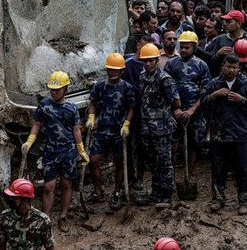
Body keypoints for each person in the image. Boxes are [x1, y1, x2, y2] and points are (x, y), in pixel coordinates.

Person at [20, 71, 88, 231]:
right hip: (50, 151)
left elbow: (76, 129)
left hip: (68, 152)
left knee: (66, 183)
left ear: (65, 89)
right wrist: (30, 141)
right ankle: (46, 218)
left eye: (58, 89)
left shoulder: (71, 108)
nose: (54, 92)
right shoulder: (44, 105)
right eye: (51, 89)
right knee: (49, 186)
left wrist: (81, 150)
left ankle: (63, 215)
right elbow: (37, 124)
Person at [201, 54, 247, 215]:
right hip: (219, 133)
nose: (231, 70)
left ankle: (245, 200)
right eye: (228, 66)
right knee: (218, 168)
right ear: (222, 66)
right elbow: (203, 101)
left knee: (243, 168)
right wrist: (214, 96)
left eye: (235, 67)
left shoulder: (244, 83)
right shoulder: (214, 83)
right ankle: (218, 199)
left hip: (240, 133)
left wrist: (242, 100)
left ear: (239, 68)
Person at [86, 53, 135, 209]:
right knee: (93, 160)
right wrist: (91, 117)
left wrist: (127, 123)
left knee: (120, 163)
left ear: (122, 71)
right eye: (110, 70)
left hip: (118, 132)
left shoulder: (127, 88)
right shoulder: (99, 86)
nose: (113, 73)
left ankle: (116, 192)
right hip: (102, 130)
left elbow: (132, 107)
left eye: (116, 70)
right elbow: (93, 102)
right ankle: (98, 191)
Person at [135, 43, 181, 208]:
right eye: (145, 61)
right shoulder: (142, 76)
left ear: (156, 60)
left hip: (161, 127)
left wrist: (170, 114)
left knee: (164, 161)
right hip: (147, 127)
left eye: (151, 61)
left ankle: (166, 195)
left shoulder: (164, 79)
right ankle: (155, 193)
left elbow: (176, 101)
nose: (148, 64)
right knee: (152, 162)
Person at [165, 31, 211, 176]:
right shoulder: (172, 64)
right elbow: (165, 88)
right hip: (175, 113)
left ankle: (189, 174)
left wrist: (192, 110)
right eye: (182, 47)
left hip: (195, 113)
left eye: (187, 47)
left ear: (195, 47)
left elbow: (206, 91)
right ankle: (170, 175)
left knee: (195, 143)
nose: (184, 50)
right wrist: (175, 110)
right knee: (173, 143)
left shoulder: (202, 65)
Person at [0, 178, 55, 250]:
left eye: (15, 198)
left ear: (25, 200)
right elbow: (1, 244)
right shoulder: (5, 217)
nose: (11, 200)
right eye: (11, 197)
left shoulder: (42, 220)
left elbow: (50, 246)